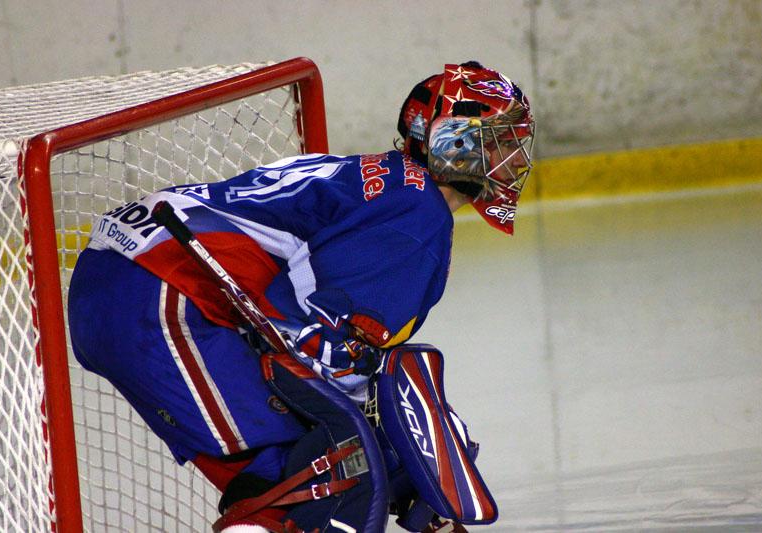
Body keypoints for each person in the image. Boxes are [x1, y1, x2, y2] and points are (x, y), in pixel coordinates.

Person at [68, 61, 534, 532]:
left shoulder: (388, 184)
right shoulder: (418, 212)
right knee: (332, 472)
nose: (514, 156)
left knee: (279, 476)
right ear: (452, 142)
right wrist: (403, 450)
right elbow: (314, 341)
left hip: (129, 283)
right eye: (499, 140)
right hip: (163, 288)